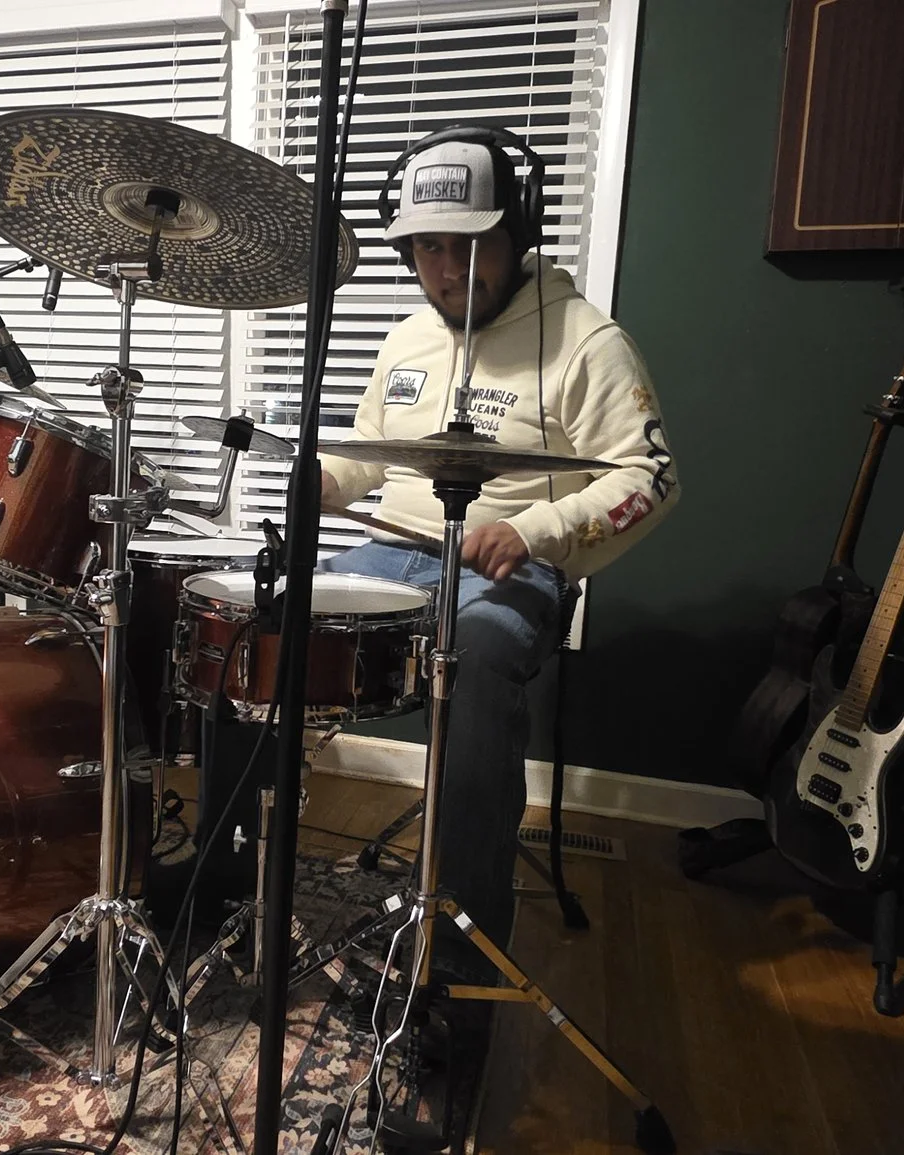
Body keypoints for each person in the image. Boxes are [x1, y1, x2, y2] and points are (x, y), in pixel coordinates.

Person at [317, 128, 678, 1142]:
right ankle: (216, 879)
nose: (446, 267)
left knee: (470, 657)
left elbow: (651, 478)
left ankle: (457, 977)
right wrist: (322, 481)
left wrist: (533, 529)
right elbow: (366, 459)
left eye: (469, 243)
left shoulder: (587, 341)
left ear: (516, 232)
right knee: (248, 615)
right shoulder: (405, 335)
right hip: (394, 550)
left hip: (511, 567)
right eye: (427, 247)